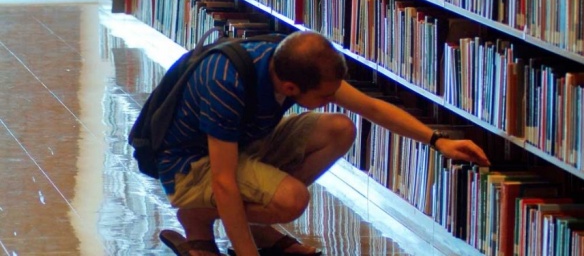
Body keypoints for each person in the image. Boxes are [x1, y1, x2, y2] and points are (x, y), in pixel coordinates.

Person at [157, 31, 490, 256]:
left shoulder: (291, 65)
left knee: (339, 128)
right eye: (326, 96)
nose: (334, 99)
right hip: (192, 167)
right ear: (290, 88)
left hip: (246, 147)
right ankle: (197, 217)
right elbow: (223, 179)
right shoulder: (225, 83)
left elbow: (370, 108)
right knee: (292, 199)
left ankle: (256, 225)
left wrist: (438, 141)